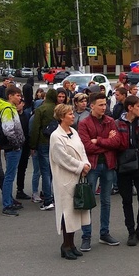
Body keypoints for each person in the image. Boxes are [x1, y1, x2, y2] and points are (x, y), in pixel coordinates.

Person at [77, 92, 120, 250]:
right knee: (88, 202)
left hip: (108, 165)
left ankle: (104, 233)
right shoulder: (84, 123)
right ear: (92, 106)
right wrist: (107, 142)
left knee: (106, 201)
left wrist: (99, 140)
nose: (104, 107)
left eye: (105, 104)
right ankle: (86, 236)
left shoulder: (110, 121)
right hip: (92, 166)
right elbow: (86, 146)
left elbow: (117, 142)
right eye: (100, 105)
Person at [50, 103, 91, 260]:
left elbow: (82, 150)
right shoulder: (56, 136)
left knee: (75, 213)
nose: (73, 116)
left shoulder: (74, 132)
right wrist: (80, 166)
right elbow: (62, 158)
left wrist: (86, 164)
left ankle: (72, 244)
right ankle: (65, 245)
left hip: (78, 176)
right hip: (64, 179)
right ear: (62, 117)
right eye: (69, 114)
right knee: (66, 213)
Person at [110, 95, 139, 247]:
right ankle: (131, 232)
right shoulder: (117, 124)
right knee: (127, 200)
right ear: (130, 107)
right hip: (123, 166)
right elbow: (116, 145)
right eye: (138, 106)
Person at [0, 86, 26, 216]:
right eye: (17, 95)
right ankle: (7, 204)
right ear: (10, 96)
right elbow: (8, 130)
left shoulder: (11, 108)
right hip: (12, 147)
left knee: (10, 175)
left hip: (13, 146)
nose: (20, 98)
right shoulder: (8, 109)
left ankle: (9, 200)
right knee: (9, 176)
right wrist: (17, 144)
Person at [30, 89, 59, 212]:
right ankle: (55, 196)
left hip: (43, 142)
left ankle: (47, 199)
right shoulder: (58, 109)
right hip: (56, 142)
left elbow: (35, 128)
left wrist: (33, 145)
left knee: (45, 171)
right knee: (54, 171)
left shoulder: (40, 109)